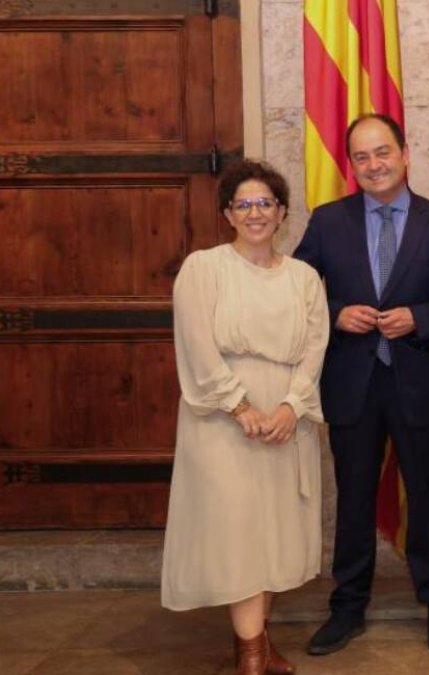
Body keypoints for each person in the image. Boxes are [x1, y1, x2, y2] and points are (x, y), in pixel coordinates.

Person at [293, 114, 429, 656]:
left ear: (405, 153)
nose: (374, 164)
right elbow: (295, 292)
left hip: (419, 381)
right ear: (351, 165)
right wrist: (337, 312)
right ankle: (347, 607)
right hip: (352, 383)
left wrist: (423, 318)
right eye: (362, 157)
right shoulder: (327, 222)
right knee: (354, 499)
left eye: (382, 152)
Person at [162, 160, 329, 675]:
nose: (255, 213)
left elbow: (316, 346)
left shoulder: (304, 278)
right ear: (228, 214)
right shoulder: (203, 268)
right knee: (238, 533)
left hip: (285, 420)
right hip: (220, 420)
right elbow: (196, 345)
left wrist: (290, 406)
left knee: (274, 534)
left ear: (282, 213)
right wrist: (240, 407)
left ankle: (252, 644)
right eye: (243, 204)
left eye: (265, 204)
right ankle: (252, 658)